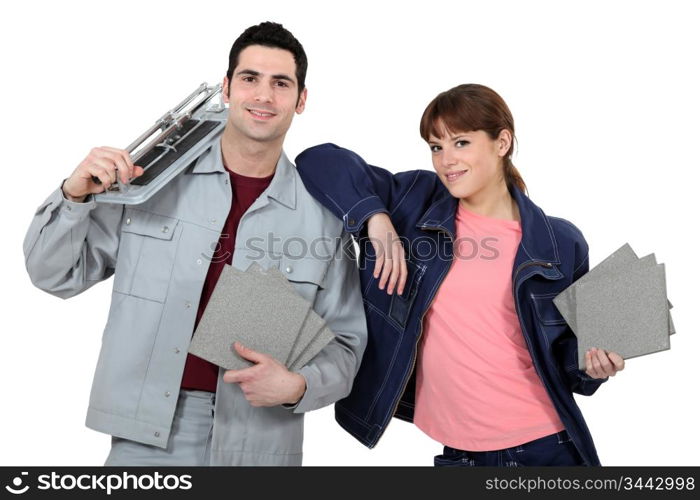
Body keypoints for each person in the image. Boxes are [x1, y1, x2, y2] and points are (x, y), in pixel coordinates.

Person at [23, 21, 367, 466]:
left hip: (261, 445)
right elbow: (54, 275)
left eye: (280, 83)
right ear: (226, 87)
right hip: (149, 437)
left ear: (301, 100)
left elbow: (347, 344)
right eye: (249, 79)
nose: (263, 96)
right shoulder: (151, 182)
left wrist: (299, 386)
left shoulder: (323, 217)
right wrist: (73, 196)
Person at [295, 83, 624, 466]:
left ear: (502, 142)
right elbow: (317, 159)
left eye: (461, 143)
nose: (446, 160)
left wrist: (593, 364)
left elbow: (568, 364)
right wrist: (376, 218)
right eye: (437, 147)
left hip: (545, 447)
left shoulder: (561, 242)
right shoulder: (415, 204)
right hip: (459, 454)